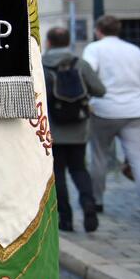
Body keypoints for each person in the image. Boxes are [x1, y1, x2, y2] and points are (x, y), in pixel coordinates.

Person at [43, 26, 105, 232]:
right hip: (78, 128)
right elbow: (100, 90)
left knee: (57, 173)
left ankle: (66, 219)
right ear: (68, 41)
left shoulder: (41, 64)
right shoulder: (80, 64)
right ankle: (89, 204)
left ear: (49, 42)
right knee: (79, 169)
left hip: (52, 130)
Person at [82, 14, 140, 215]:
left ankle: (97, 200)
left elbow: (87, 75)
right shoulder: (135, 51)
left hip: (104, 109)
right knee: (138, 159)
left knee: (99, 156)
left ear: (98, 30)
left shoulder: (94, 49)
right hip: (135, 110)